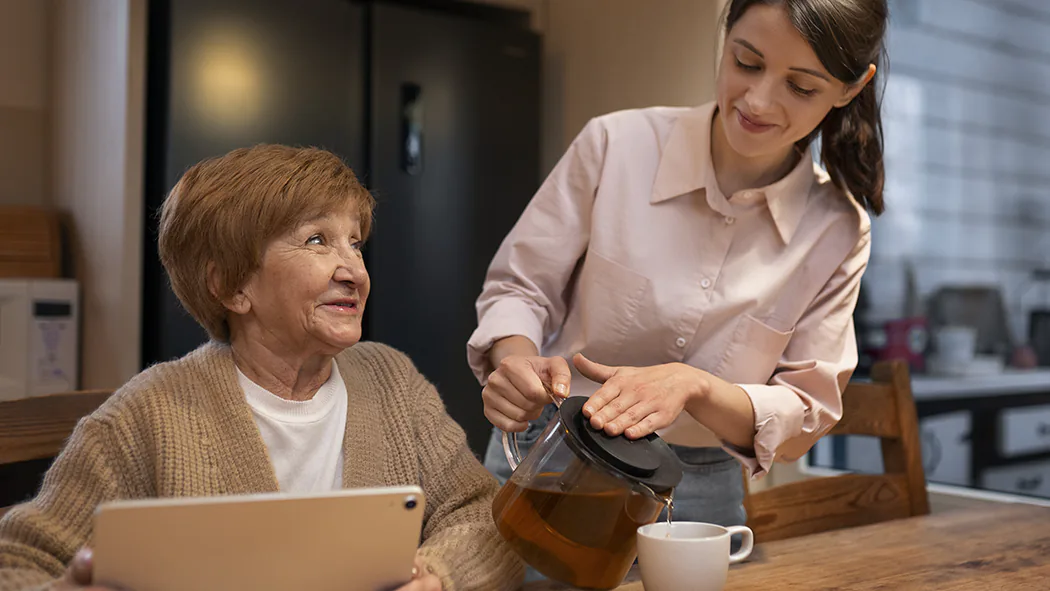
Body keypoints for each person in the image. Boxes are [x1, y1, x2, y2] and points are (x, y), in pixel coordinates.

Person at [0, 145, 524, 591]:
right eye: (318, 240)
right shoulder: (149, 413)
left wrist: (437, 574)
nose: (355, 272)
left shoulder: (391, 379)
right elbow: (19, 564)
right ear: (232, 288)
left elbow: (483, 514)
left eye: (355, 243)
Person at [469, 0, 887, 529]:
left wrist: (697, 387)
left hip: (697, 488)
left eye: (801, 87)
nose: (758, 100)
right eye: (747, 63)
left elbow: (804, 409)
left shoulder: (838, 230)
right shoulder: (614, 146)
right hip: (550, 451)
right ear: (727, 34)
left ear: (850, 88)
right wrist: (517, 361)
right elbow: (520, 288)